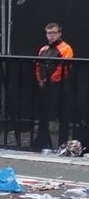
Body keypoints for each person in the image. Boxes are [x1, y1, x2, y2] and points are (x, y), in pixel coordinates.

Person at [33, 22, 74, 151]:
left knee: (61, 116)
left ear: (59, 34)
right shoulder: (43, 49)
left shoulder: (66, 48)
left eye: (53, 33)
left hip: (60, 87)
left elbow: (64, 68)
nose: (50, 36)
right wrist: (40, 79)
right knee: (44, 115)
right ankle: (44, 143)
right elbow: (38, 66)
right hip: (46, 86)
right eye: (48, 33)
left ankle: (61, 145)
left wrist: (48, 80)